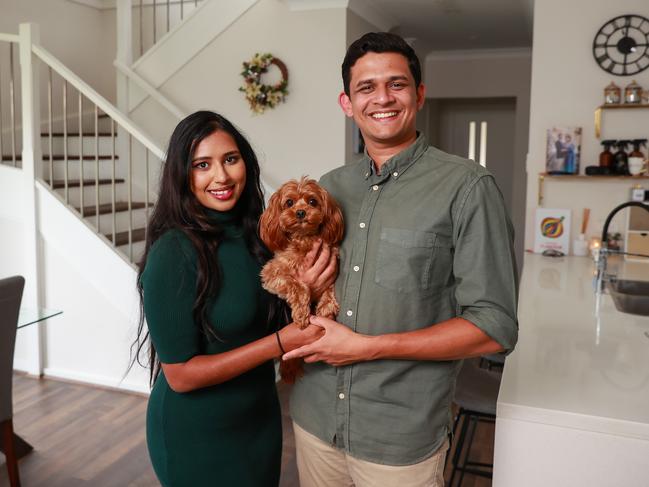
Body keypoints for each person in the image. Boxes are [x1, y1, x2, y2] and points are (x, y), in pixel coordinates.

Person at [283, 32, 519, 487]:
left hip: (399, 440)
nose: (382, 98)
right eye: (366, 88)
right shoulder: (329, 188)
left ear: (419, 94)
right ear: (347, 103)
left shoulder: (468, 187)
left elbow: (494, 327)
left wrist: (368, 347)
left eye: (397, 84)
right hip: (313, 420)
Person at [132, 111, 331, 487]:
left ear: (246, 163)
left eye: (230, 159)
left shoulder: (260, 234)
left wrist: (308, 289)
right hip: (197, 435)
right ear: (182, 175)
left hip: (259, 421)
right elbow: (180, 376)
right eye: (202, 165)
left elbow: (271, 316)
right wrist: (279, 344)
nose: (221, 177)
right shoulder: (174, 252)